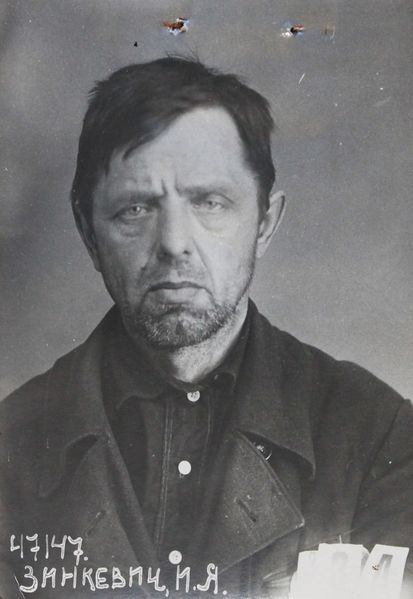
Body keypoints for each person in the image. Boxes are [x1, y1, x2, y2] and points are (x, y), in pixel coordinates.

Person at [0, 57, 412, 599]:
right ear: (88, 232)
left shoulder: (380, 436)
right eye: (135, 209)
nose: (174, 243)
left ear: (264, 223)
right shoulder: (9, 444)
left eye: (210, 202)